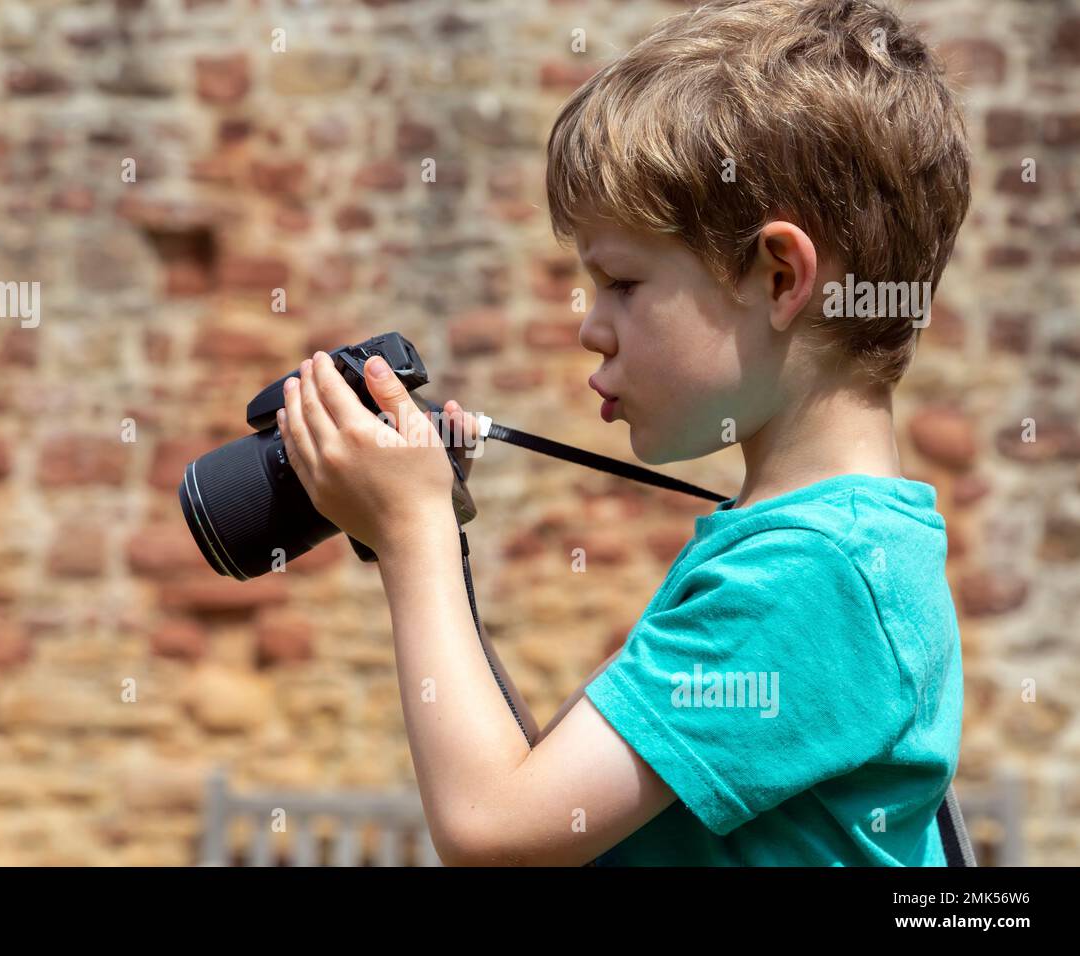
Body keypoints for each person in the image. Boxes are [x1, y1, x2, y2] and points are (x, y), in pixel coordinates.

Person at [275, 0, 969, 866]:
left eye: (622, 283)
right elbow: (540, 805)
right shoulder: (821, 551)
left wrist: (411, 534)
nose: (589, 327)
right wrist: (432, 543)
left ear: (781, 275)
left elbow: (493, 831)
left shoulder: (806, 577)